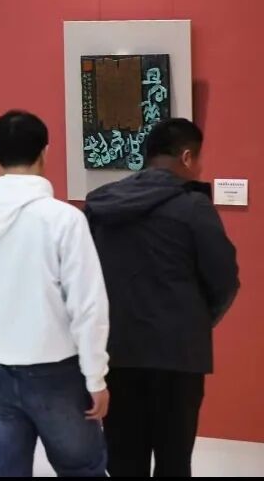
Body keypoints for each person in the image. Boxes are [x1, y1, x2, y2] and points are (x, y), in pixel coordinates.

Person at [0, 111, 110, 477]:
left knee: (5, 470)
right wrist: (96, 377)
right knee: (83, 468)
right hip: (57, 371)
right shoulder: (64, 219)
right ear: (45, 153)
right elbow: (88, 307)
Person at [85, 118, 239, 477]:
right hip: (178, 356)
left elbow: (83, 279)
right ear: (186, 157)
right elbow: (225, 280)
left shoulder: (101, 205)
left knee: (123, 460)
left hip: (117, 350)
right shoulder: (194, 207)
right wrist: (198, 319)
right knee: (174, 460)